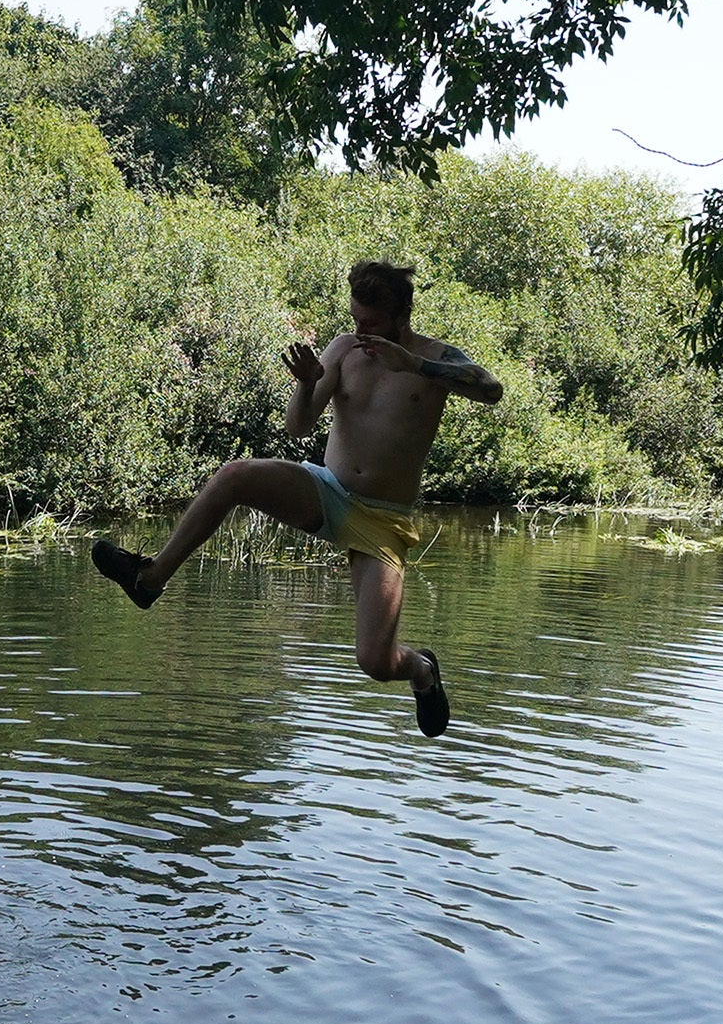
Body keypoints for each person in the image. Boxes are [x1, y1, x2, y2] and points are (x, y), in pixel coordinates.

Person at [91, 257, 502, 735]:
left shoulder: (437, 359)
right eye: (355, 320)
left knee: (375, 661)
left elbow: (491, 391)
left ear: (401, 314)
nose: (361, 331)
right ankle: (150, 578)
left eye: (372, 323)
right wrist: (307, 385)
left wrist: (413, 365)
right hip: (327, 491)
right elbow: (298, 427)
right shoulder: (345, 350)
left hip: (383, 520)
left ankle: (422, 671)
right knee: (235, 475)